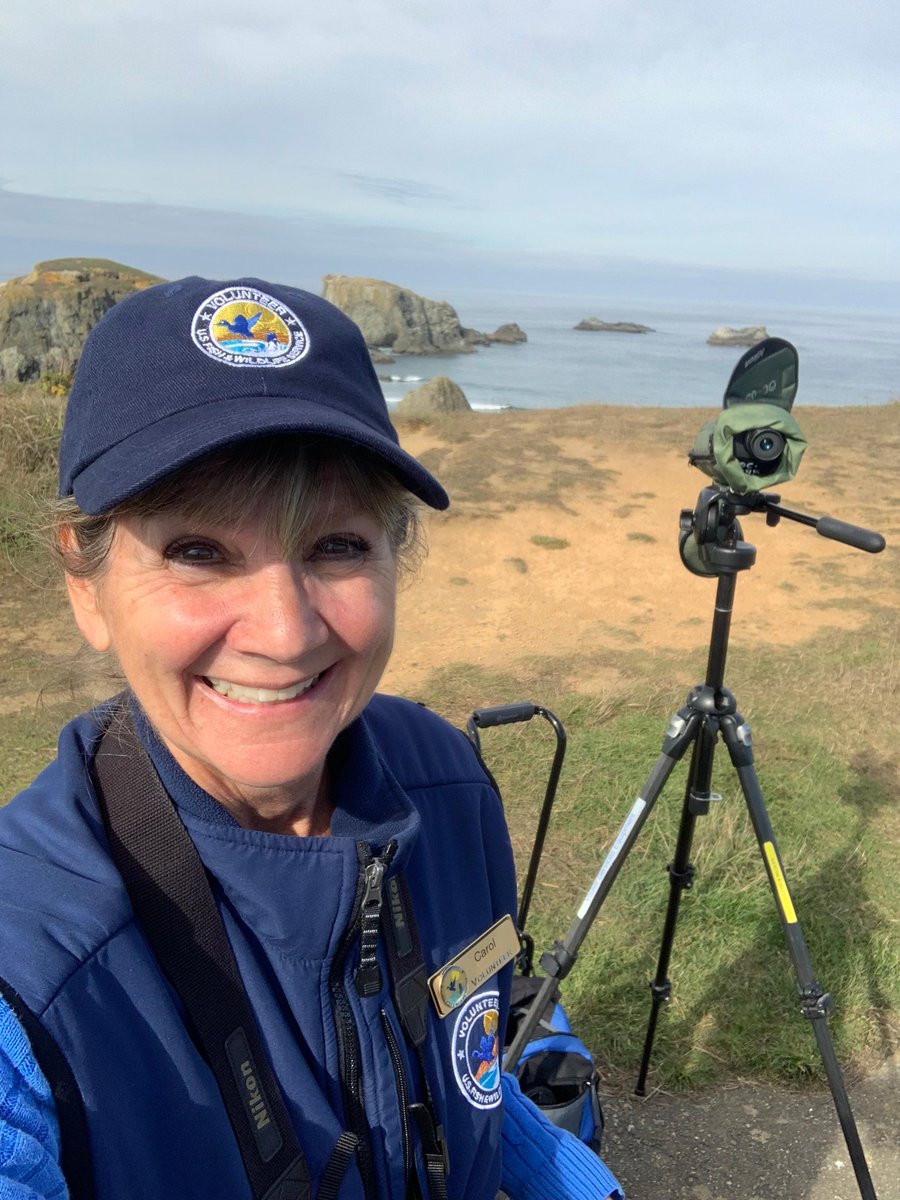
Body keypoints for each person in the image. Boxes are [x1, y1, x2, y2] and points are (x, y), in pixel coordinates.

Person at [0, 276, 624, 1200]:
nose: (285, 633)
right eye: (199, 552)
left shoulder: (446, 784)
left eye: (336, 545)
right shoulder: (30, 967)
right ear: (85, 586)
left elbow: (470, 1067)